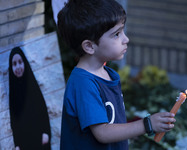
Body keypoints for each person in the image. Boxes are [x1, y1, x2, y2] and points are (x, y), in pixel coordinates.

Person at [57, 0, 176, 149]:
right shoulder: (83, 83)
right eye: (116, 34)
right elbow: (103, 132)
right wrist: (147, 124)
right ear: (89, 46)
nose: (126, 39)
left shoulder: (107, 74)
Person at [9, 47, 51, 150]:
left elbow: (42, 109)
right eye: (14, 64)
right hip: (24, 143)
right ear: (11, 68)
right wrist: (17, 144)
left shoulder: (32, 85)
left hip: (40, 138)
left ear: (25, 63)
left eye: (20, 62)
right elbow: (14, 121)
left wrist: (46, 131)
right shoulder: (13, 92)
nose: (18, 67)